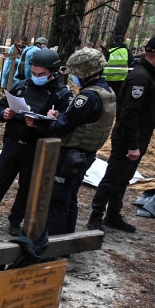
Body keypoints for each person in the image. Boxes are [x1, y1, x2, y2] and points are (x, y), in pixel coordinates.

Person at [0, 48, 71, 235]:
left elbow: (62, 127)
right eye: (34, 73)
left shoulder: (61, 95)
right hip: (12, 143)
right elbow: (3, 104)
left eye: (41, 74)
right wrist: (3, 113)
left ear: (52, 73)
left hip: (36, 148)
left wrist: (42, 122)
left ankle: (15, 221)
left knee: (26, 187)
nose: (36, 77)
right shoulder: (22, 86)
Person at [86, 34, 155, 233]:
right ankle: (96, 216)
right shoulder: (140, 77)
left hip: (138, 138)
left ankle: (113, 215)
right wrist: (133, 145)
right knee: (113, 177)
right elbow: (129, 113)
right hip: (128, 140)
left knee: (123, 178)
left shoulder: (148, 75)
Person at [32, 48, 116, 235]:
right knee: (69, 199)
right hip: (85, 154)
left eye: (75, 72)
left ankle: (53, 244)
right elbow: (83, 120)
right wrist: (62, 115)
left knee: (58, 201)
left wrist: (48, 121)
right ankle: (66, 240)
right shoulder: (106, 91)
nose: (73, 75)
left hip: (72, 154)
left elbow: (63, 126)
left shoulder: (88, 97)